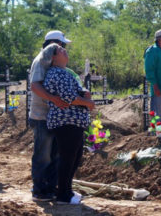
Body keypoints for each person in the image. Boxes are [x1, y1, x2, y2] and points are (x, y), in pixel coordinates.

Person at [29, 30, 81, 202]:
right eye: (62, 45)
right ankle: (39, 190)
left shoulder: (51, 63)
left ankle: (50, 187)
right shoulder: (40, 61)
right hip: (41, 115)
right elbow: (35, 86)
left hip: (52, 116)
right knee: (43, 155)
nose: (64, 48)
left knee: (54, 155)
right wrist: (54, 99)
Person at [43, 43, 95, 204]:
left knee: (75, 156)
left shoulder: (64, 73)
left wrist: (83, 93)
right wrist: (87, 103)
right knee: (67, 157)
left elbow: (72, 93)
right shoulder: (57, 73)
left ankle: (67, 190)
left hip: (73, 121)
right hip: (66, 121)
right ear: (53, 57)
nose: (64, 51)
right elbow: (67, 97)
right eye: (60, 50)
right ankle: (63, 195)